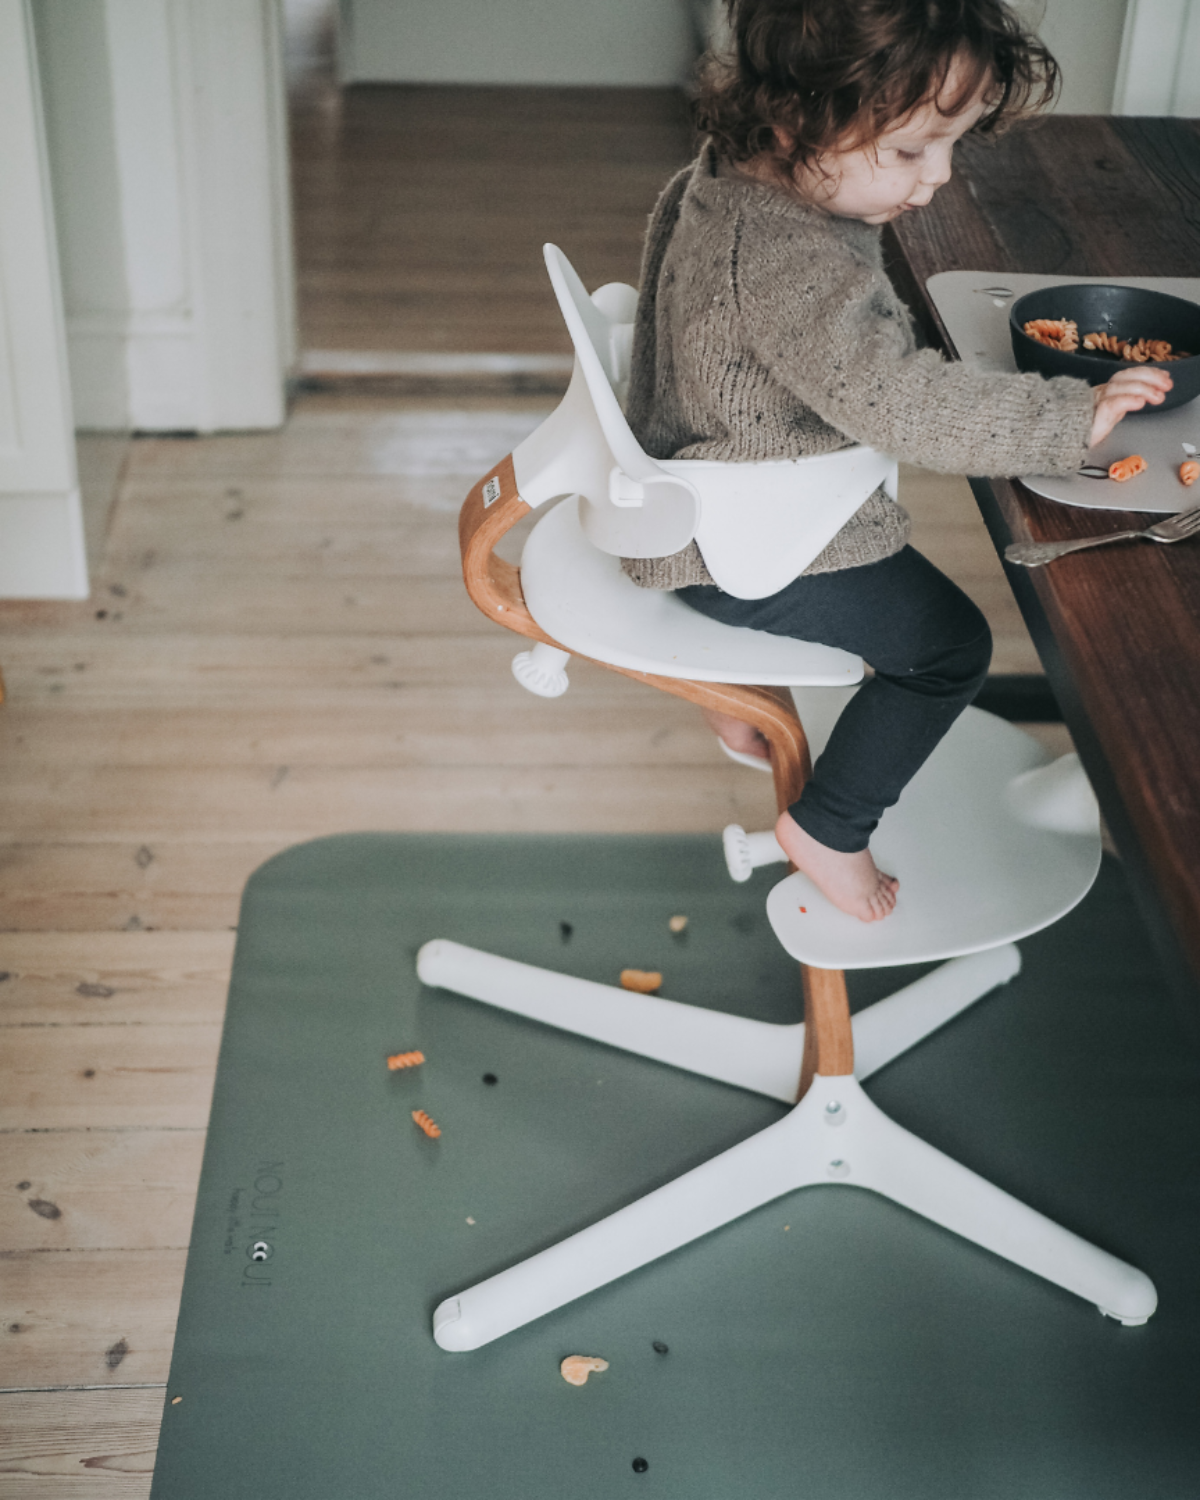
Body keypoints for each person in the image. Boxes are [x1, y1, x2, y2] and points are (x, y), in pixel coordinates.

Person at [623, 0, 1171, 922]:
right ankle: (830, 825)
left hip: (694, 491)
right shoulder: (793, 261)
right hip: (747, 543)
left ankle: (735, 679)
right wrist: (1069, 418)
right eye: (912, 149)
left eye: (951, 144)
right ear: (796, 122)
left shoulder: (730, 171)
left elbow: (822, 346)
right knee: (948, 649)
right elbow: (899, 405)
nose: (941, 176)